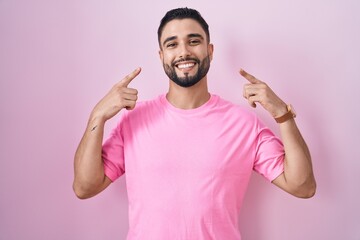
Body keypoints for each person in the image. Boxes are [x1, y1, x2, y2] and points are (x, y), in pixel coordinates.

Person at [73, 7, 316, 239]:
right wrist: (97, 117)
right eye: (172, 44)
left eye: (194, 41)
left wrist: (283, 115)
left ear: (210, 50)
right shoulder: (133, 121)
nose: (184, 52)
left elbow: (303, 186)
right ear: (162, 56)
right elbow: (85, 187)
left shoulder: (244, 124)